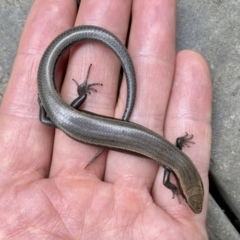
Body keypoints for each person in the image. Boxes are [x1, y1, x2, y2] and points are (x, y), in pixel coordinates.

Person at [0, 0, 211, 239]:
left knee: (52, 119)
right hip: (63, 116)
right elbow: (167, 181)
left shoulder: (177, 153)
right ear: (185, 181)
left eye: (184, 192)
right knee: (49, 120)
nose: (184, 192)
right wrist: (173, 189)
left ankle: (63, 102)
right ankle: (53, 107)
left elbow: (177, 147)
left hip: (66, 116)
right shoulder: (170, 166)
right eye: (186, 191)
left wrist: (66, 99)